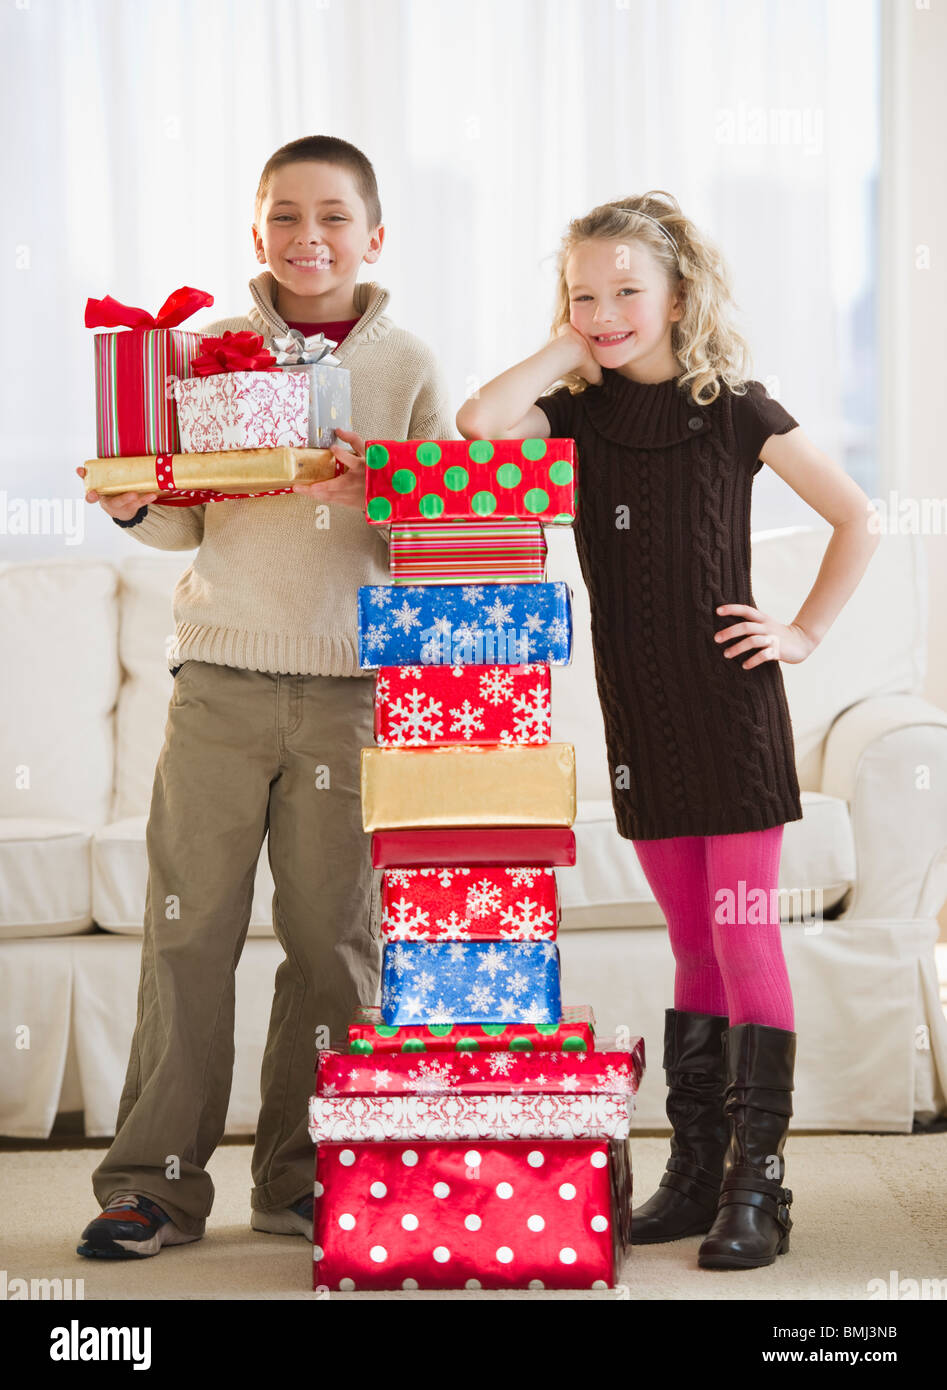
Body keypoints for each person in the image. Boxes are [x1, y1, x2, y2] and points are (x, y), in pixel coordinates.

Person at [456, 190, 881, 1270]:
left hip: (729, 714)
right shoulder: (580, 415)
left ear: (678, 295)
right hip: (639, 715)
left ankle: (758, 1182)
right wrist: (563, 347)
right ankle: (693, 1175)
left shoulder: (732, 406)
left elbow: (854, 514)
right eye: (582, 293)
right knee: (690, 942)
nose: (603, 312)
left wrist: (801, 630)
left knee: (741, 933)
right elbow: (477, 425)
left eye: (625, 292)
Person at [75, 134, 453, 1259]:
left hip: (350, 689)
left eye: (332, 217)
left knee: (334, 943)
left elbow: (440, 533)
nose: (308, 238)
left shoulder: (409, 365)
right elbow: (186, 517)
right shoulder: (203, 352)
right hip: (223, 682)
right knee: (188, 932)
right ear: (256, 233)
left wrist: (376, 485)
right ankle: (154, 1184)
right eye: (284, 217)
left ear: (372, 236)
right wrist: (128, 496)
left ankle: (305, 1176)